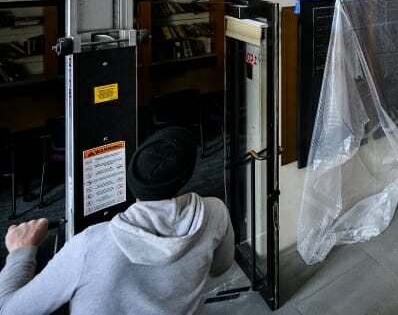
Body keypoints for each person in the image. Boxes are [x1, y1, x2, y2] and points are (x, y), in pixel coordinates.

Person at [0, 127, 233, 314]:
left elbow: (11, 310)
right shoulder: (215, 212)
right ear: (185, 179)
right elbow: (220, 266)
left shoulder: (89, 245)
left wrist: (20, 253)